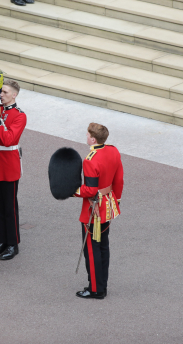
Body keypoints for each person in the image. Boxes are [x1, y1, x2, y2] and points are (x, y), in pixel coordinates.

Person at [74, 123, 124, 299]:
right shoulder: (113, 151)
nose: (86, 137)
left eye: (87, 135)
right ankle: (102, 285)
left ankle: (95, 289)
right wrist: (115, 201)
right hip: (108, 205)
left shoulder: (90, 159)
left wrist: (72, 190)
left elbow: (90, 190)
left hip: (93, 209)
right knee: (103, 246)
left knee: (92, 250)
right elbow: (119, 179)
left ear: (93, 139)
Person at [0, 80, 26, 261]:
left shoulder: (19, 115)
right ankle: (1, 240)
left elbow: (8, 139)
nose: (1, 95)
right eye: (2, 92)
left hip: (8, 164)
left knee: (9, 207)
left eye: (6, 92)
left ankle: (12, 243)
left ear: (14, 95)